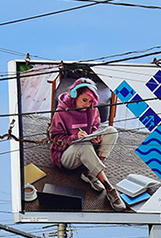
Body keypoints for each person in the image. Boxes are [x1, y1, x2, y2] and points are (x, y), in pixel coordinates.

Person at [48, 77, 124, 211]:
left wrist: (96, 136)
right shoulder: (61, 112)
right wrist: (74, 137)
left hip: (86, 145)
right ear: (74, 95)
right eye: (84, 100)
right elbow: (55, 139)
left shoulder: (92, 108)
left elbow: (95, 127)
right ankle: (109, 188)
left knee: (112, 131)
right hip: (65, 156)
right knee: (84, 146)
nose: (88, 104)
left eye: (90, 101)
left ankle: (91, 172)